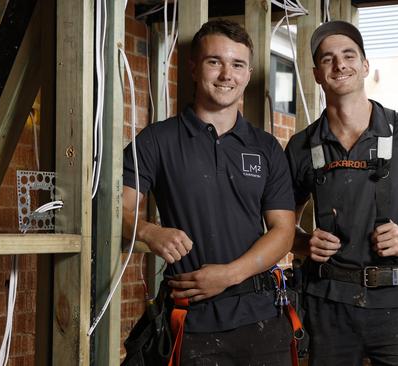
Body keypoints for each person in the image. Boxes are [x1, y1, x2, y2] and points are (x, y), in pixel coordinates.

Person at [285, 21, 398, 365]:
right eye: (328, 59)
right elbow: (282, 226)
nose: (339, 65)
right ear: (316, 74)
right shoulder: (301, 147)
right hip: (327, 306)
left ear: (366, 65)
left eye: (348, 55)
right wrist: (303, 242)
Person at [121, 19, 296, 365]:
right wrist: (148, 230)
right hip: (193, 322)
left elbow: (283, 231)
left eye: (237, 64)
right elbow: (114, 209)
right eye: (214, 61)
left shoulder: (266, 148)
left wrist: (228, 275)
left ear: (247, 74)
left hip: (263, 318)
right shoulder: (156, 141)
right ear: (193, 68)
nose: (226, 74)